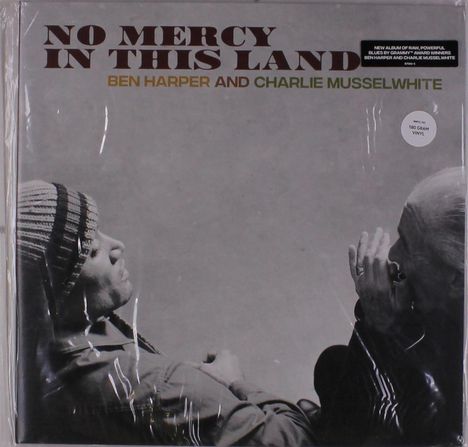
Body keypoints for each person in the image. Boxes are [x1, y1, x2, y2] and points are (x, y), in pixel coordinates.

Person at [16, 180, 316, 446]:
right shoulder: (161, 386)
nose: (117, 247)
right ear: (56, 295)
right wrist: (234, 382)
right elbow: (294, 441)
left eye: (100, 232)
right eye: (91, 250)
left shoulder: (32, 372)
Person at [313, 167, 465, 445]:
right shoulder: (450, 308)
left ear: (456, 278)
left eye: (407, 245)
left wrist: (378, 326)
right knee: (334, 363)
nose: (392, 254)